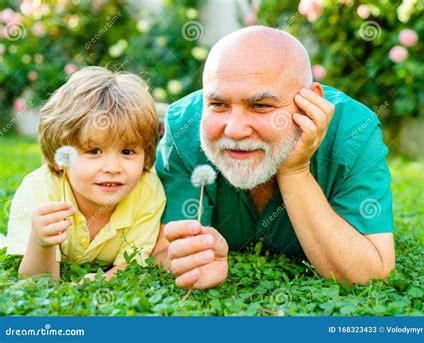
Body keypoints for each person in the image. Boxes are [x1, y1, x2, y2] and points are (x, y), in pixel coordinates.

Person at [153, 26, 395, 289]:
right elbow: (165, 250)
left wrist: (295, 171)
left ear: (310, 101)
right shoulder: (183, 129)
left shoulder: (353, 131)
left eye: (260, 106)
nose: (234, 129)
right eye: (218, 104)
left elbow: (369, 274)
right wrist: (193, 259)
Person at [6, 66, 166, 280]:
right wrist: (40, 242)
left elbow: (130, 268)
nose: (113, 167)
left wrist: (96, 283)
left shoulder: (147, 192)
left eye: (127, 151)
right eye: (94, 151)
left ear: (145, 154)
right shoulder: (40, 190)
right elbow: (37, 281)